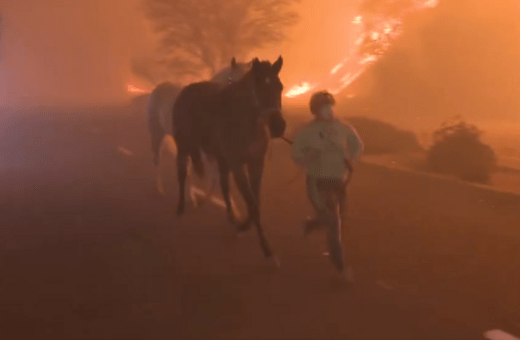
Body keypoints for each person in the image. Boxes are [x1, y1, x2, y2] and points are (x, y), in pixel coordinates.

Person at [290, 90, 363, 283]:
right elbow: (296, 153)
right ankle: (341, 268)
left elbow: (357, 145)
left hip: (339, 183)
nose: (329, 111)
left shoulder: (343, 127)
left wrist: (351, 160)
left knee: (336, 220)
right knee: (334, 224)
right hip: (317, 184)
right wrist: (306, 158)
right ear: (315, 111)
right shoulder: (307, 132)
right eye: (324, 107)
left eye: (330, 106)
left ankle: (311, 224)